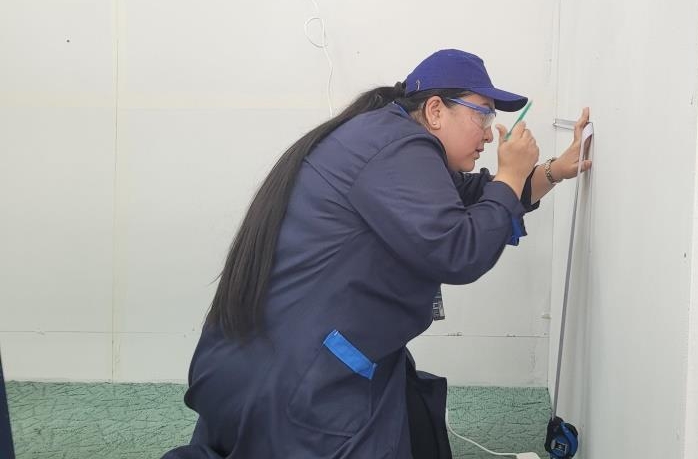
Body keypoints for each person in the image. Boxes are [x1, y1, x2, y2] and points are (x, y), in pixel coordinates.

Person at [163, 49, 591, 459]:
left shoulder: (386, 138)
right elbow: (460, 250)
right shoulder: (399, 148)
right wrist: (511, 173)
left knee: (415, 426)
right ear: (436, 110)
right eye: (482, 114)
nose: (488, 132)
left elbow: (476, 195)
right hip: (299, 381)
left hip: (267, 357)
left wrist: (554, 170)